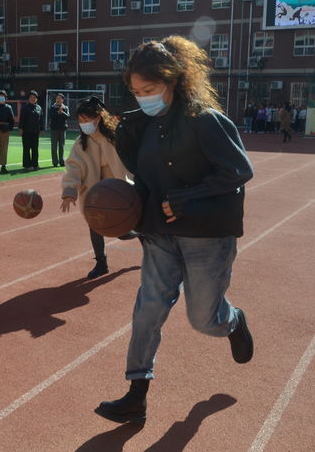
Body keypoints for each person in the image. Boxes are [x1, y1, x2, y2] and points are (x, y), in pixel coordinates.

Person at [94, 36, 254, 424]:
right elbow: (144, 181)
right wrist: (125, 215)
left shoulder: (207, 121)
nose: (141, 98)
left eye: (148, 90)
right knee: (147, 310)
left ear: (174, 81)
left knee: (203, 319)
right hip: (159, 235)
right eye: (135, 91)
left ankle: (233, 321)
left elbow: (238, 171)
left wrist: (187, 196)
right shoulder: (136, 127)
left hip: (206, 235)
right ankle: (136, 395)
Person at [61, 96, 133, 278]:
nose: (83, 124)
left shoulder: (115, 137)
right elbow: (73, 167)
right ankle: (101, 263)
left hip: (117, 190)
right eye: (80, 121)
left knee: (121, 232)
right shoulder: (80, 144)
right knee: (95, 225)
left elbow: (130, 160)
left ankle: (139, 234)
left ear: (98, 118)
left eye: (87, 120)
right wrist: (69, 191)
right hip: (93, 193)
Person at [20, 90, 43, 171]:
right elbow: (21, 119)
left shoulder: (39, 108)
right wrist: (20, 128)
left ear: (37, 99)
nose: (33, 99)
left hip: (35, 132)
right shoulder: (25, 108)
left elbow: (41, 120)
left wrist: (42, 129)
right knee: (26, 149)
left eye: (34, 97)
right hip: (26, 132)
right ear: (28, 98)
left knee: (35, 148)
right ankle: (27, 165)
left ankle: (35, 164)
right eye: (31, 97)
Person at [49, 92, 70, 166]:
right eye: (57, 98)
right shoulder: (52, 107)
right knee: (54, 146)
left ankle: (62, 161)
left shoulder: (66, 108)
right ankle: (55, 162)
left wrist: (62, 112)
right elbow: (51, 116)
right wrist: (58, 112)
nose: (58, 100)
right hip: (54, 129)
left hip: (62, 129)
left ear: (63, 100)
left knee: (62, 146)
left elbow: (68, 116)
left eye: (60, 98)